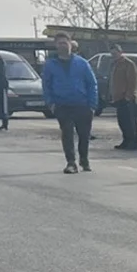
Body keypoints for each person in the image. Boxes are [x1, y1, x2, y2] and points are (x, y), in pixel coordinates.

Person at [41, 33, 99, 173]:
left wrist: (92, 104)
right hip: (62, 105)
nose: (63, 45)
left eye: (65, 42)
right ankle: (71, 162)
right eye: (60, 43)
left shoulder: (82, 63)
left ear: (71, 44)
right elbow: (46, 85)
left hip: (82, 104)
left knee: (84, 134)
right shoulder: (50, 65)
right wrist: (51, 103)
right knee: (67, 133)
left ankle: (84, 159)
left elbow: (92, 84)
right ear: (56, 45)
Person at [109, 45, 137, 150]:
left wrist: (129, 96)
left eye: (115, 53)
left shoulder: (129, 64)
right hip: (118, 98)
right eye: (112, 54)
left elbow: (133, 81)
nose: (113, 56)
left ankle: (134, 142)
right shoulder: (115, 64)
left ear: (120, 52)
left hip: (127, 98)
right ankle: (126, 140)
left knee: (130, 122)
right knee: (122, 121)